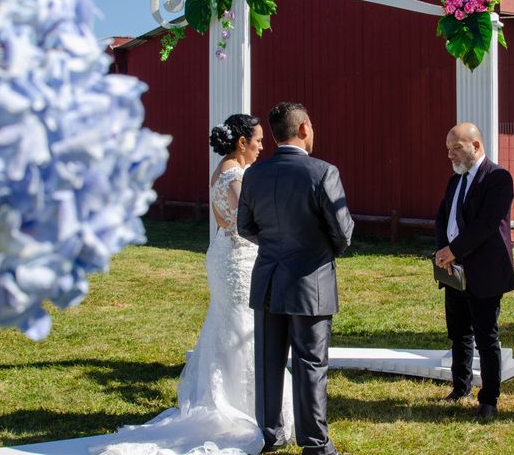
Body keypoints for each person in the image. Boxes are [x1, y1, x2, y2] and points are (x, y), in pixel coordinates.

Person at [92, 114, 293, 455]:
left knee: (229, 326)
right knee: (243, 329)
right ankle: (242, 409)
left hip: (226, 255)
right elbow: (250, 223)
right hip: (237, 262)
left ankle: (242, 402)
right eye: (258, 140)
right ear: (241, 142)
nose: (262, 147)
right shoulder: (234, 175)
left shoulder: (225, 171)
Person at [237, 102, 354, 455]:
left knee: (269, 363)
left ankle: (271, 435)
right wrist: (318, 249)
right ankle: (315, 444)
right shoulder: (322, 172)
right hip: (310, 282)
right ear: (303, 128)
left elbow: (245, 226)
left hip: (269, 280)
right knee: (311, 363)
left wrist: (277, 244)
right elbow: (343, 231)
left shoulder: (255, 173)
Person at [434, 122, 514, 420]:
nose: (451, 155)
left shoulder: (498, 178)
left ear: (476, 146)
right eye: (448, 150)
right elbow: (443, 217)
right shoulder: (455, 181)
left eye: (456, 148)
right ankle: (460, 387)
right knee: (459, 335)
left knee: (486, 336)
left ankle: (489, 399)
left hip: (484, 271)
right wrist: (444, 251)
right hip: (454, 270)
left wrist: (452, 250)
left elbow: (486, 225)